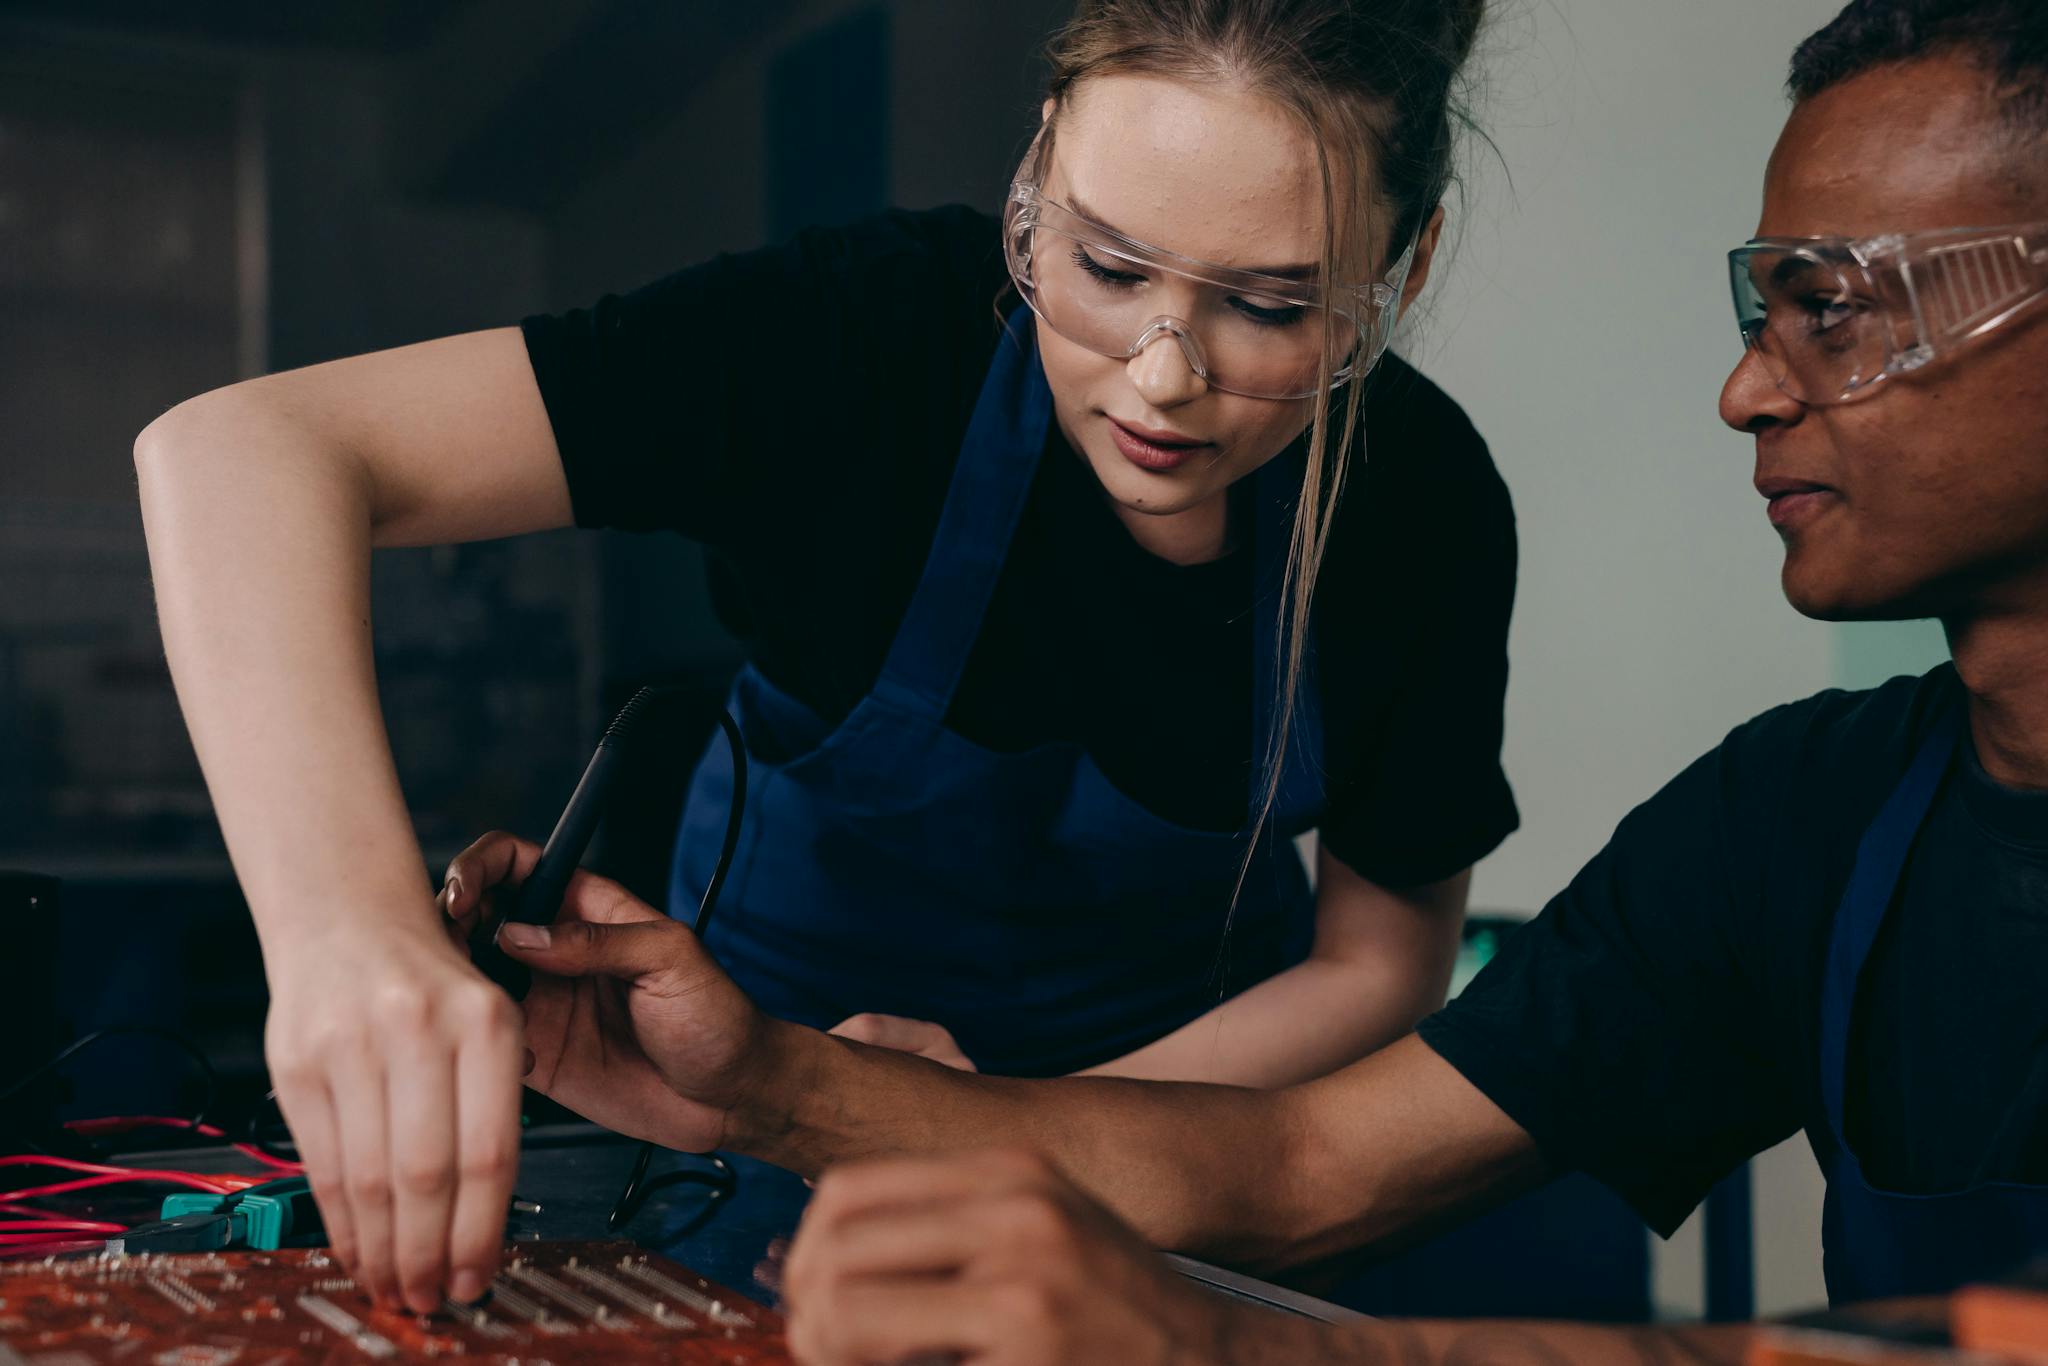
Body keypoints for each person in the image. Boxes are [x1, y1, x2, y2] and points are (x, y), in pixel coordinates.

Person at [439, 0, 2048, 1358]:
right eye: (1111, 268)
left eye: (1839, 310)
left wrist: (1216, 1335)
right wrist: (767, 1081)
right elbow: (1298, 1157)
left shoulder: (1416, 511)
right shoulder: (1799, 820)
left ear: (1387, 280)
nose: (1745, 386)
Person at [135, 0, 1516, 1317]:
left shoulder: (1427, 507)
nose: (1163, 373)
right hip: (748, 1145)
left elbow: (1381, 962)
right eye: (1104, 265)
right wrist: (348, 929)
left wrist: (997, 1135)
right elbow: (240, 452)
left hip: (1177, 1172)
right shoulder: (866, 340)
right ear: (1041, 161)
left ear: (1413, 259)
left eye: (1272, 307)